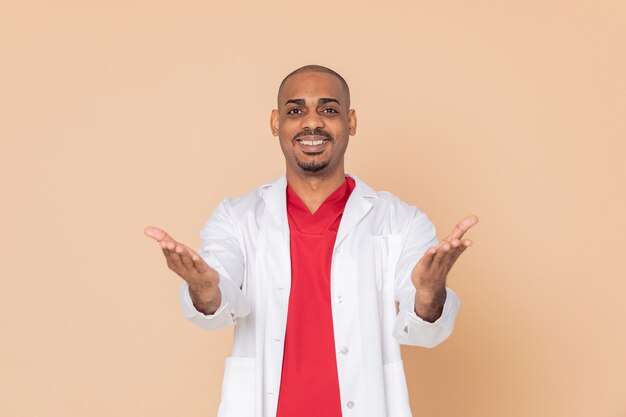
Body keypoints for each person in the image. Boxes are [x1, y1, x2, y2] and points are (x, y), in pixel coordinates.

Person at [144, 65, 478, 417]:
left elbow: (425, 330)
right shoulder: (236, 217)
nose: (312, 122)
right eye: (296, 110)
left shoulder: (400, 220)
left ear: (351, 122)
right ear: (276, 123)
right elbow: (216, 301)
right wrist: (205, 289)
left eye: (329, 110)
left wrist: (429, 294)